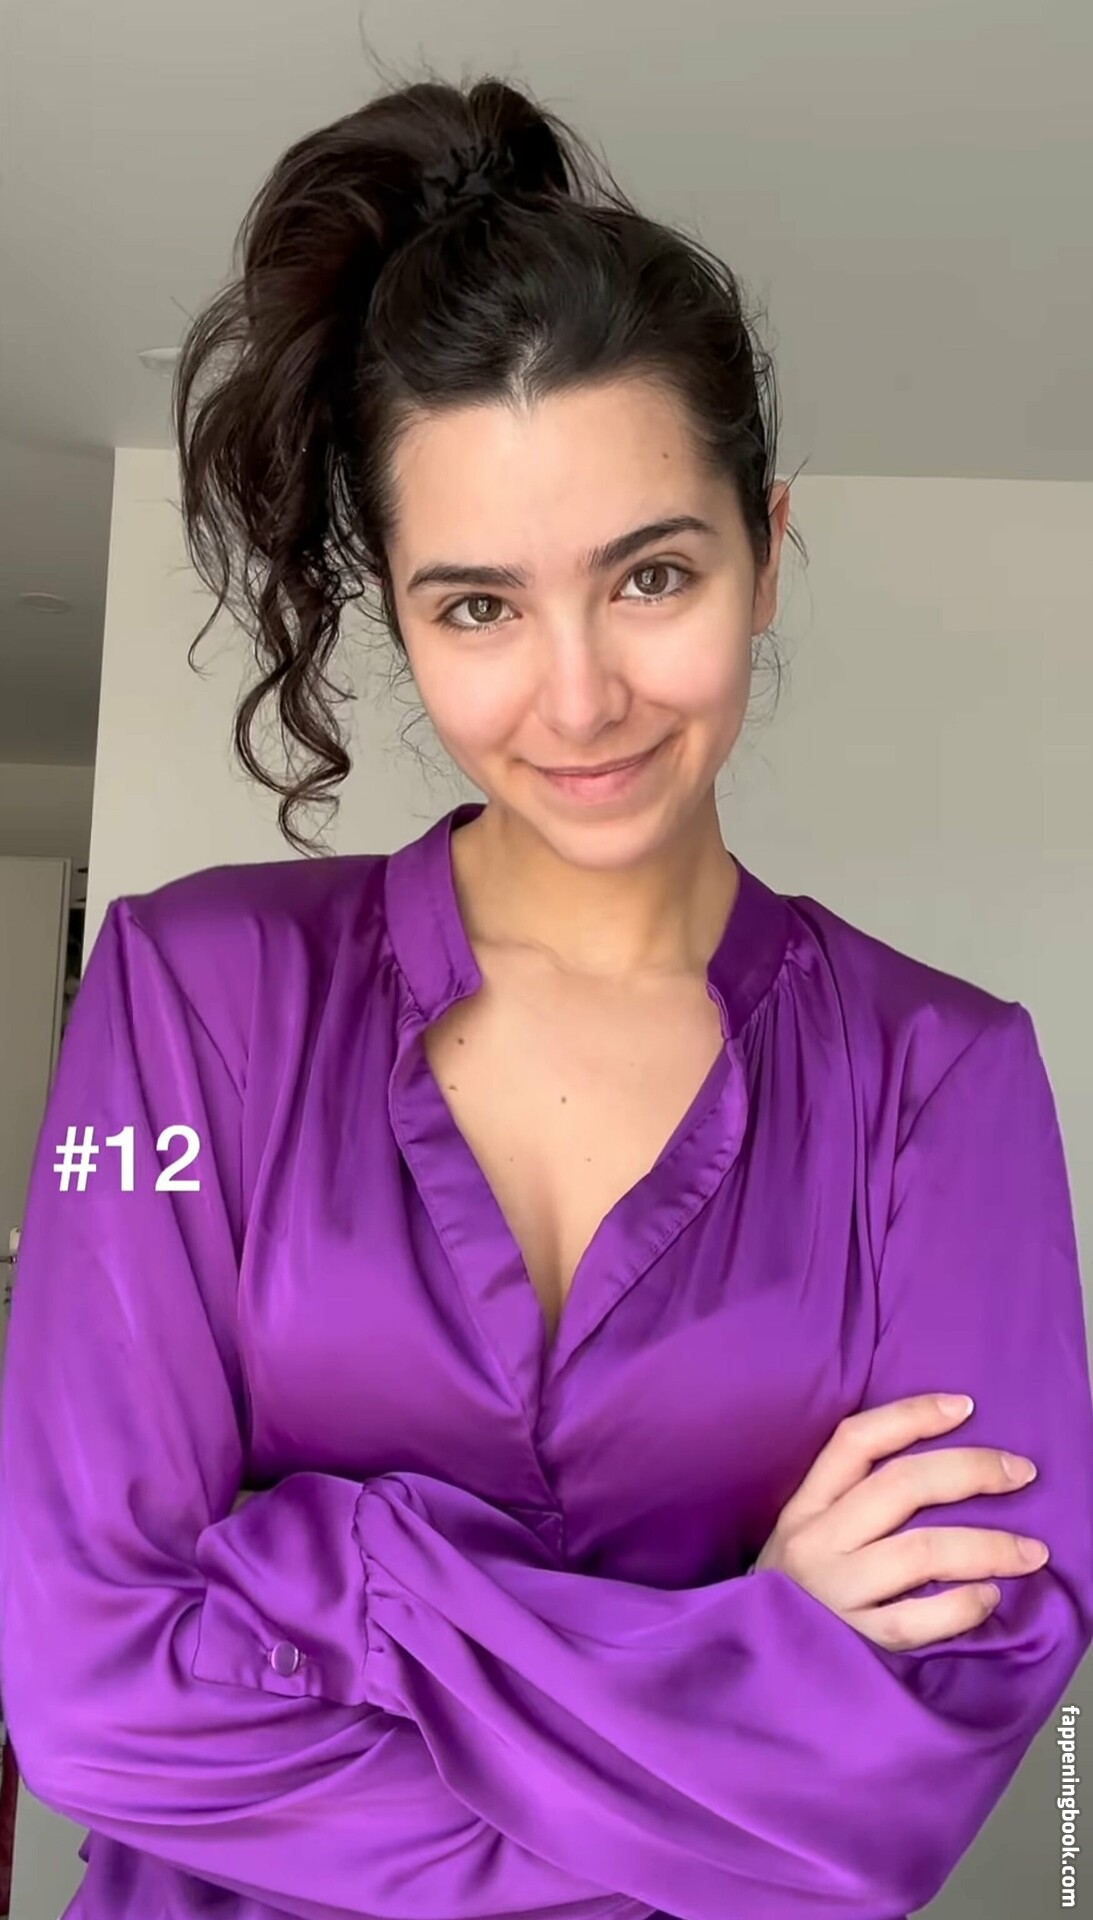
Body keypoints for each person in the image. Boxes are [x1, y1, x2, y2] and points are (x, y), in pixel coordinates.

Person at [1, 65, 1091, 1920]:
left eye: (648, 575)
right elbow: (93, 1699)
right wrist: (746, 1652)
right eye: (478, 606)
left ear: (765, 553)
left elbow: (931, 1737)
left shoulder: (943, 1080)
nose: (577, 698)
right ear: (399, 612)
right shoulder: (189, 1001)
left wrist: (330, 1574)